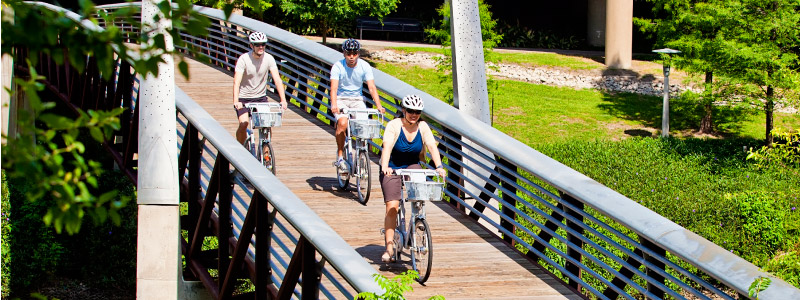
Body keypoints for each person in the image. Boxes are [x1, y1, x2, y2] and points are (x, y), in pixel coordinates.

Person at [378, 94, 446, 263]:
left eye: (417, 112)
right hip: (392, 168)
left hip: (411, 166)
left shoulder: (422, 127)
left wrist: (439, 167)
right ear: (404, 110)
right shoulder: (394, 125)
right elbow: (386, 146)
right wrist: (385, 166)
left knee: (419, 198)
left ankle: (417, 223)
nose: (413, 115)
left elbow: (431, 146)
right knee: (392, 206)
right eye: (410, 111)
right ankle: (389, 247)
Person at [330, 38, 385, 172]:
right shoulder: (338, 66)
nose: (352, 57)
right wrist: (334, 105)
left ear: (358, 54)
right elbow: (334, 88)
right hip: (341, 99)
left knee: (364, 126)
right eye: (349, 53)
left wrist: (378, 105)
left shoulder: (364, 66)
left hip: (357, 100)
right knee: (342, 123)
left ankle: (361, 153)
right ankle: (340, 156)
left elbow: (371, 87)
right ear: (344, 53)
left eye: (354, 53)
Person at [232, 31, 288, 148]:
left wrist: (283, 100)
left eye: (263, 44)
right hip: (244, 98)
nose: (261, 47)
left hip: (260, 98)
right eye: (257, 44)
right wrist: (236, 101)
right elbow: (236, 81)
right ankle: (240, 148)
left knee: (266, 126)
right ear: (251, 46)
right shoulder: (244, 59)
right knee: (244, 124)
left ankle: (266, 155)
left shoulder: (269, 58)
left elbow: (277, 80)